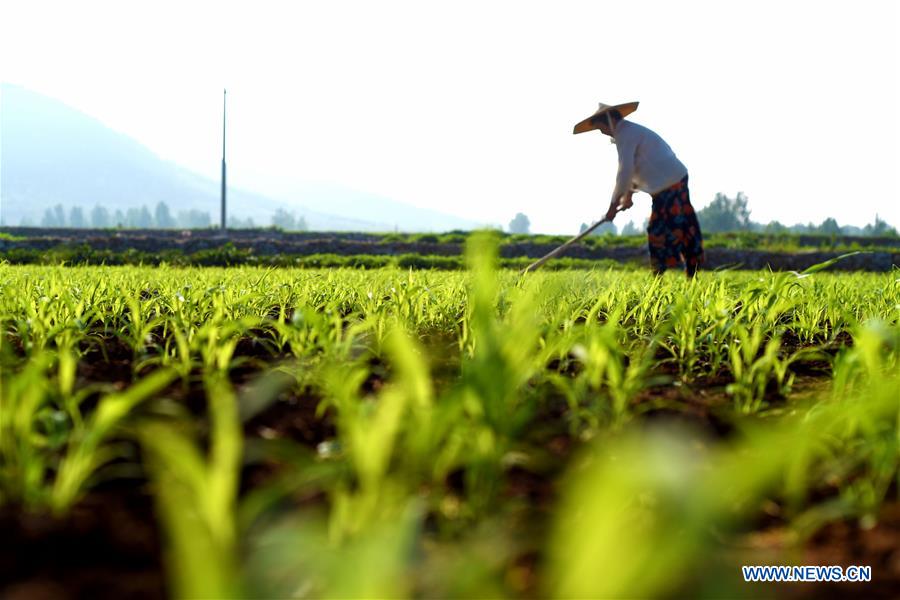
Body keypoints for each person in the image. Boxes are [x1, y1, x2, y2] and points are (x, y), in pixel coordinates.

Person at [574, 101, 704, 277]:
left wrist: (613, 206)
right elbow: (635, 169)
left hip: (671, 185)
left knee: (664, 230)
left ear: (609, 121)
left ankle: (660, 278)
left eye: (600, 128)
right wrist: (627, 197)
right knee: (679, 227)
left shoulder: (625, 134)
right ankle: (679, 275)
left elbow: (624, 172)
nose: (602, 132)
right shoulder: (628, 132)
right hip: (671, 183)